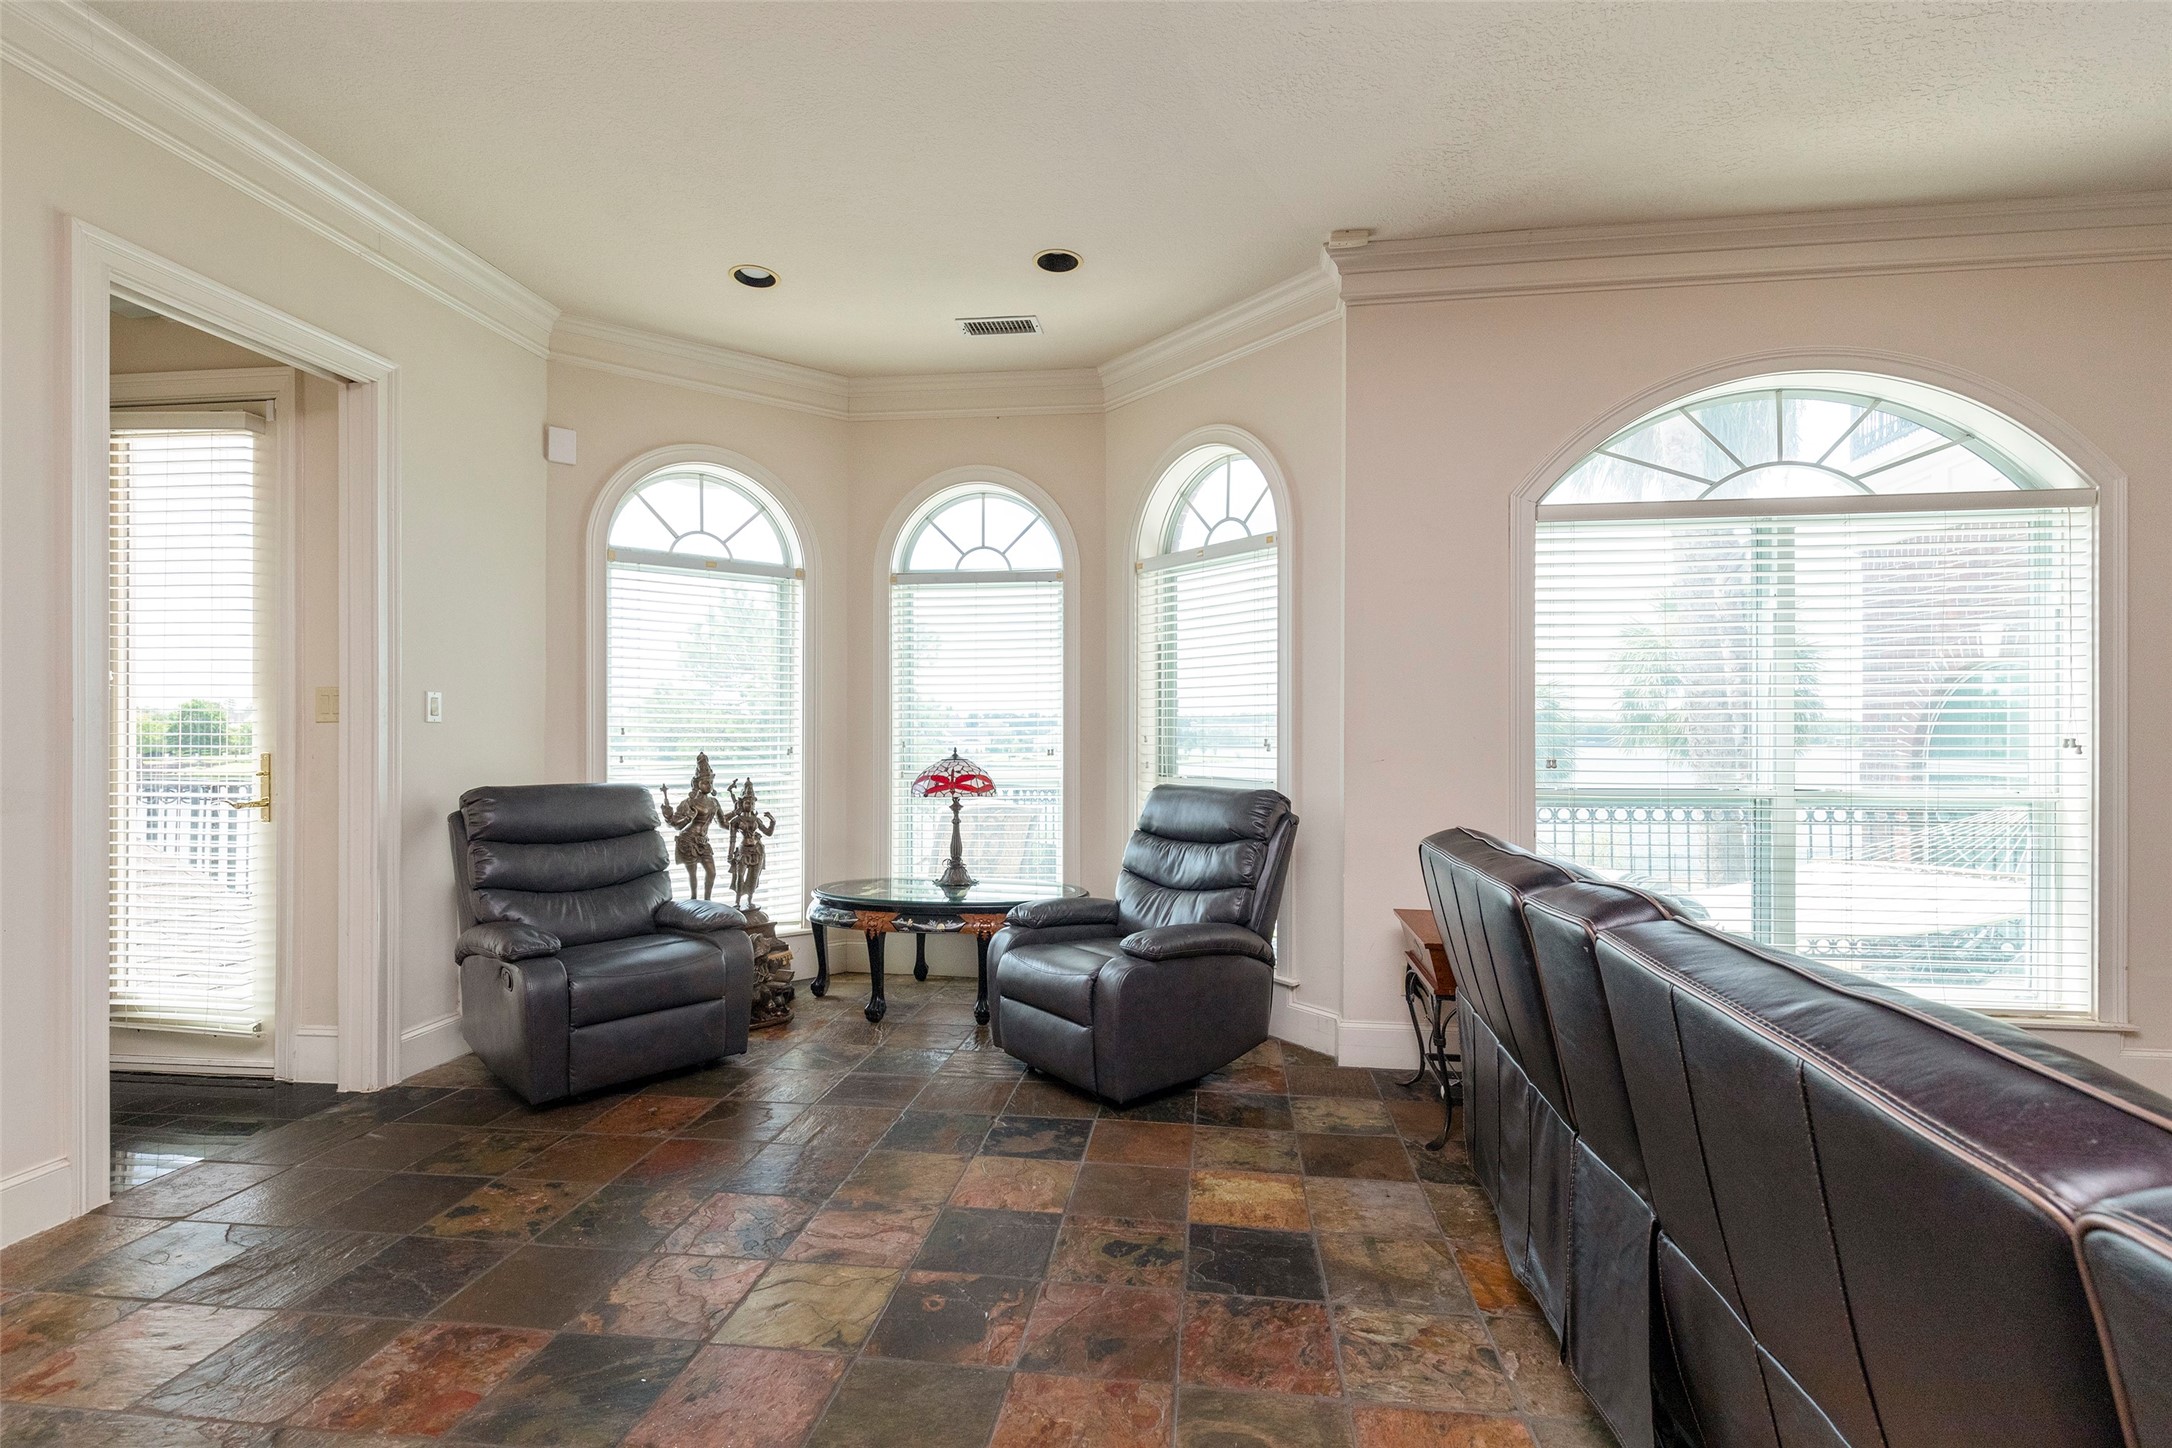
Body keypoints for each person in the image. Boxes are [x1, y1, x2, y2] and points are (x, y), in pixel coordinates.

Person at [658, 752, 722, 900]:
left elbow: (724, 822)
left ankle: (707, 902)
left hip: (703, 842)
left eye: (710, 782)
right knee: (693, 875)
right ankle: (694, 900)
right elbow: (676, 825)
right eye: (705, 782)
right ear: (696, 783)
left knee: (711, 872)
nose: (709, 785)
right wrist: (678, 816)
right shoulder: (689, 803)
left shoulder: (714, 802)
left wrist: (737, 813)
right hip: (688, 841)